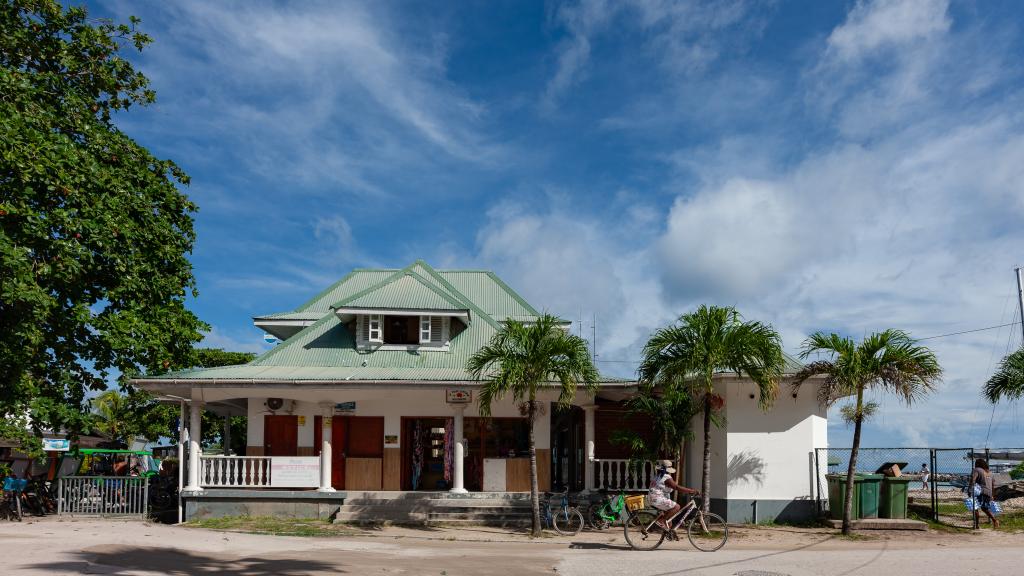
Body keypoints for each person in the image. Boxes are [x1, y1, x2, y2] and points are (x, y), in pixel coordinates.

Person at [648, 460, 698, 531]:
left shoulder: (657, 476)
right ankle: (661, 521)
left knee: (669, 519)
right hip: (657, 499)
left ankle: (670, 533)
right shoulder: (666, 477)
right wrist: (691, 491)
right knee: (677, 507)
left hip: (651, 498)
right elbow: (676, 487)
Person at [970, 458, 999, 529]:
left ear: (978, 464)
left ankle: (976, 525)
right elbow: (993, 485)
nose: (975, 465)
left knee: (975, 507)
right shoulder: (990, 473)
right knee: (984, 508)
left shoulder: (976, 470)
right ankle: (995, 520)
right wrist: (992, 495)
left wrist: (970, 488)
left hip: (980, 491)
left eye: (976, 463)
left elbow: (973, 479)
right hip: (988, 493)